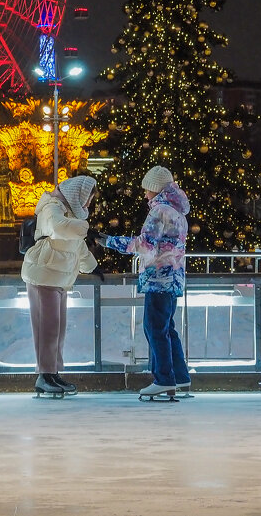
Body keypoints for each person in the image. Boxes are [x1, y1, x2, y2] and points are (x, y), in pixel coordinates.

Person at [97, 166, 191, 400]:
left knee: (154, 328)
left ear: (155, 189)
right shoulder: (178, 212)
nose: (144, 195)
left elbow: (144, 244)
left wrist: (109, 242)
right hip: (174, 278)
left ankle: (163, 379)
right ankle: (180, 377)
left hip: (158, 277)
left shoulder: (159, 211)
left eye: (147, 190)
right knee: (167, 328)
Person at [21, 175, 100, 397]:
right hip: (43, 275)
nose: (87, 205)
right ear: (76, 194)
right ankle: (44, 375)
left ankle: (52, 372)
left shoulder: (71, 214)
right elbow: (59, 228)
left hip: (59, 277)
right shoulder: (51, 208)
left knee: (58, 329)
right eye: (87, 199)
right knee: (48, 328)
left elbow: (77, 246)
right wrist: (85, 228)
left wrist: (91, 266)